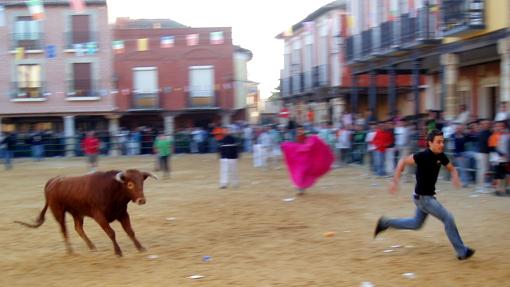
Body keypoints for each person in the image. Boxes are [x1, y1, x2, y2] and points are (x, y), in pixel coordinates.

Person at [374, 129, 475, 260]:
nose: (441, 144)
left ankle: (385, 223)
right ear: (430, 143)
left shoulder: (441, 156)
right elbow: (402, 161)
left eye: (442, 142)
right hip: (423, 199)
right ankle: (462, 252)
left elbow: (451, 168)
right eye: (438, 142)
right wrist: (395, 181)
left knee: (416, 224)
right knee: (448, 218)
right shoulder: (422, 156)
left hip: (424, 197)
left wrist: (455, 176)